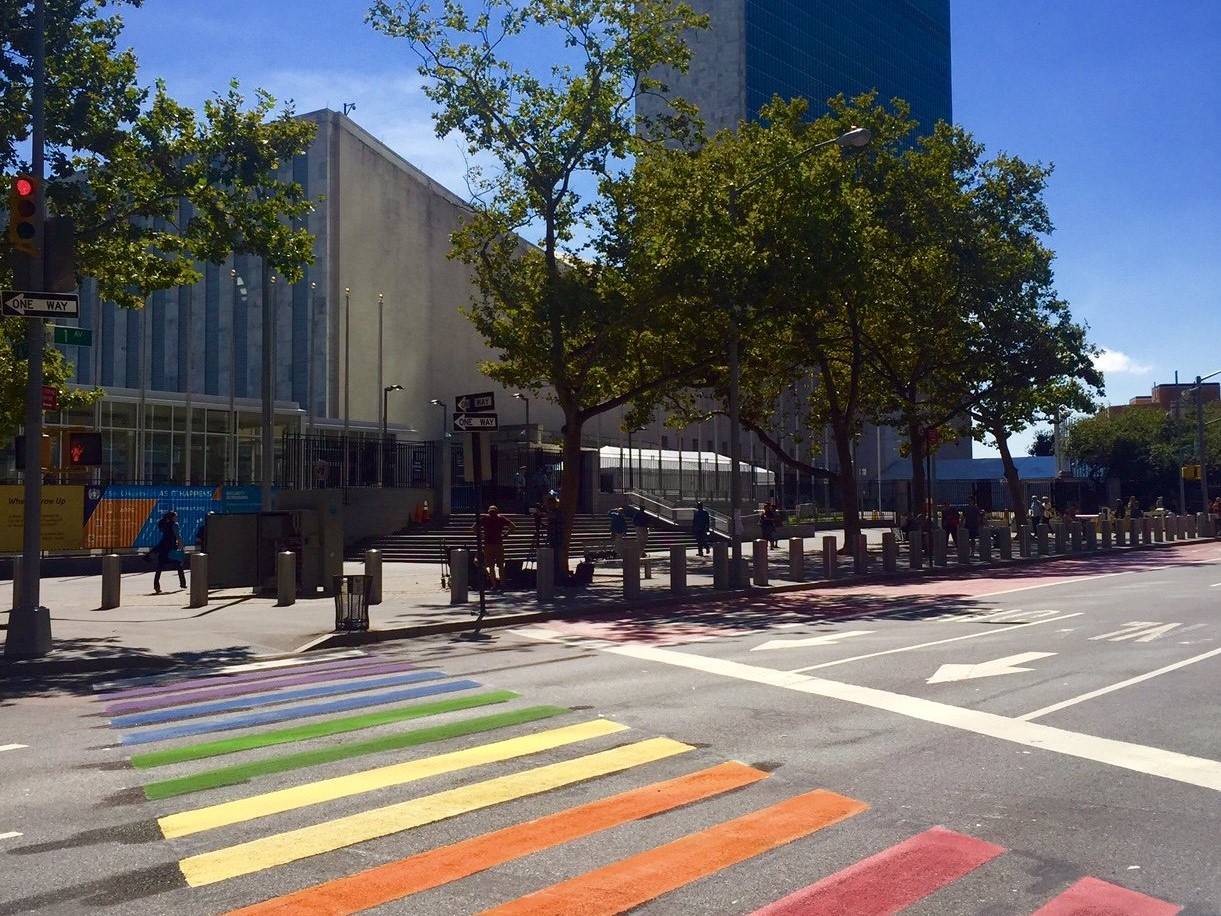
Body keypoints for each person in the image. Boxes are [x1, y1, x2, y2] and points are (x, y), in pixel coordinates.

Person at [474, 505, 515, 589]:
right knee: (501, 566)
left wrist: (481, 535)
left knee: (491, 566)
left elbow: (473, 528)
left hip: (488, 545)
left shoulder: (485, 518)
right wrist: (506, 534)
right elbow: (513, 526)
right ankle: (502, 584)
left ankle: (494, 585)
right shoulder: (500, 518)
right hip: (498, 544)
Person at [150, 509, 186, 594]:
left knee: (159, 567)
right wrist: (181, 548)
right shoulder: (175, 525)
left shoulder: (164, 524)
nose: (177, 518)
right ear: (172, 517)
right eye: (176, 516)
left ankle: (156, 586)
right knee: (179, 564)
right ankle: (183, 584)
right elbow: (178, 537)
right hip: (171, 548)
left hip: (163, 547)